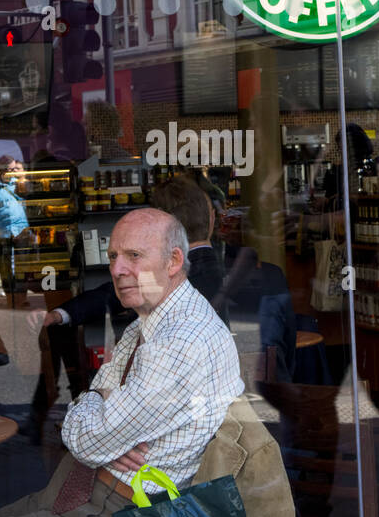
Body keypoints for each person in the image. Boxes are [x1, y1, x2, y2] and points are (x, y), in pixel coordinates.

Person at [0, 208, 243, 517]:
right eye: (113, 256)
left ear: (174, 261)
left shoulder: (179, 341)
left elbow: (87, 441)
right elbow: (98, 400)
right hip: (83, 492)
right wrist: (99, 405)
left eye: (134, 255)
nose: (117, 269)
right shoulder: (152, 320)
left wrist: (97, 410)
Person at [26, 176, 228, 442]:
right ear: (210, 218)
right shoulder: (232, 266)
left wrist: (96, 418)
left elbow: (114, 428)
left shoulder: (174, 278)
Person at [0, 155, 30, 293]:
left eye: (15, 169)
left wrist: (30, 232)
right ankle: (10, 298)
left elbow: (28, 208)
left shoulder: (20, 186)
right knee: (5, 269)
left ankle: (22, 298)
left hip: (21, 233)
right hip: (2, 235)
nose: (13, 172)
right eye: (10, 170)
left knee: (23, 268)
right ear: (0, 171)